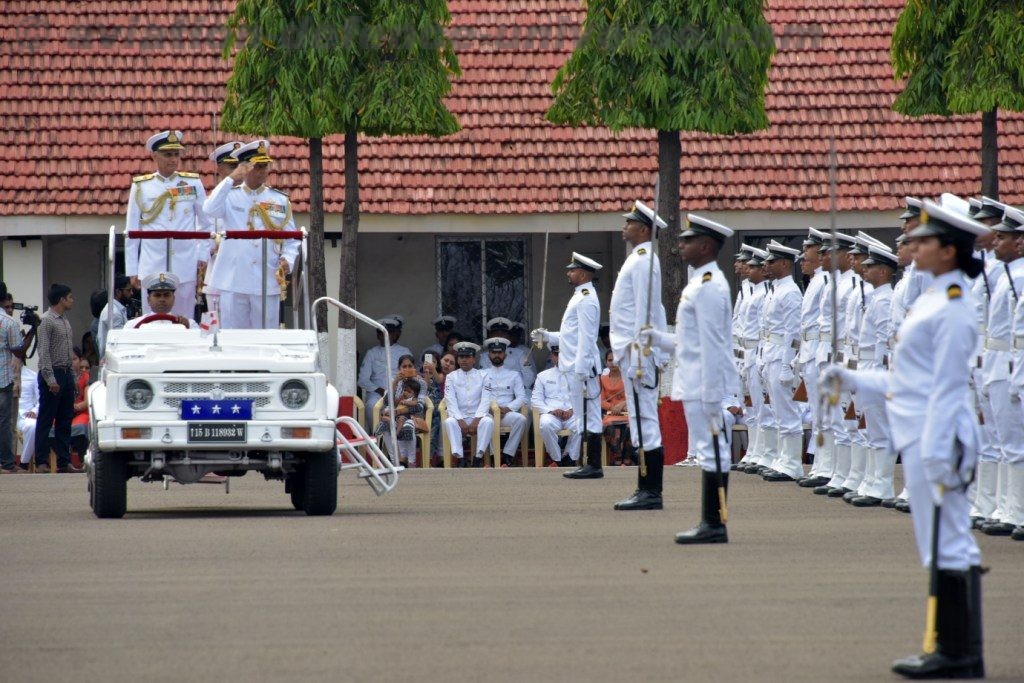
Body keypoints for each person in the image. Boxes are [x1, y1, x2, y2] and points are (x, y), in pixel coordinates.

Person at [821, 200, 987, 679]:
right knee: (935, 543)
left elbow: (948, 385)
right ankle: (950, 647)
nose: (912, 245)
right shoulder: (931, 298)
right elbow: (906, 380)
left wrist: (936, 449)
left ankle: (959, 653)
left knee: (949, 541)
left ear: (950, 251)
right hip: (918, 433)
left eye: (924, 240)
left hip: (937, 437)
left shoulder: (954, 304)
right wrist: (852, 380)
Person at [640, 214, 739, 543]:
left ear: (706, 246)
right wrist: (655, 337)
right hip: (694, 379)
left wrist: (713, 393)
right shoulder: (700, 282)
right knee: (708, 449)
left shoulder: (709, 286)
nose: (681, 245)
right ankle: (711, 520)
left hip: (703, 383)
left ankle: (714, 522)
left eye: (688, 240)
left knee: (711, 450)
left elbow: (713, 345)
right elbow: (688, 340)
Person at [202, 139, 301, 329]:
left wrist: (287, 260)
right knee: (233, 339)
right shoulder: (229, 195)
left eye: (265, 166)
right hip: (233, 279)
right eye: (258, 166)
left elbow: (291, 239)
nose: (263, 171)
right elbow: (209, 209)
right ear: (246, 168)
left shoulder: (279, 200)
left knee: (266, 339)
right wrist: (231, 178)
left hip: (266, 277)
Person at [610, 200, 668, 510]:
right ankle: (644, 487)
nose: (624, 225)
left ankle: (651, 491)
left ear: (643, 229)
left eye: (629, 222)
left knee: (645, 419)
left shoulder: (645, 261)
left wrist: (642, 354)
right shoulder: (639, 259)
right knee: (639, 418)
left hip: (638, 354)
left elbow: (646, 313)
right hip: (633, 352)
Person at [532, 251, 604, 479]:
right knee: (584, 416)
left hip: (580, 368)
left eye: (572, 270)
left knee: (588, 416)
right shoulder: (578, 296)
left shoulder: (586, 298)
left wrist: (582, 368)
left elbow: (587, 337)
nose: (569, 272)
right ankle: (588, 464)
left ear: (582, 274)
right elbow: (570, 335)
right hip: (574, 366)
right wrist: (548, 337)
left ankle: (591, 464)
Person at [124, 130, 209, 318]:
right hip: (152, 263)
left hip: (185, 263)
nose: (173, 159)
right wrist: (132, 269)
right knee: (153, 320)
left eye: (176, 154)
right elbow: (132, 230)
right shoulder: (141, 186)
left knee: (183, 319)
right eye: (167, 154)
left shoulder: (192, 183)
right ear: (154, 155)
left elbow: (206, 223)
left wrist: (201, 257)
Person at [976, 206, 1024, 536]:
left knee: (1013, 444)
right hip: (995, 365)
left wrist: (1017, 378)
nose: (996, 242)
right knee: (1001, 442)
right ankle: (1005, 507)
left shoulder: (1017, 278)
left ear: (1020, 243)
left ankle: (1016, 511)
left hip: (1010, 366)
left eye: (1003, 237)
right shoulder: (1005, 276)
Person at [849, 244, 898, 506]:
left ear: (883, 271)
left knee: (879, 428)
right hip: (865, 366)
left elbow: (882, 342)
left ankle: (883, 484)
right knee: (870, 428)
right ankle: (872, 480)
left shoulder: (884, 299)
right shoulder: (875, 297)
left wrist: (879, 375)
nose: (864, 270)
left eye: (869, 267)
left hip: (874, 368)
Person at [757, 240, 804, 482]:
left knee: (787, 410)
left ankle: (793, 463)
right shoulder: (776, 289)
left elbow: (792, 332)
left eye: (771, 261)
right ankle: (782, 458)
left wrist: (788, 365)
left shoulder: (791, 292)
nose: (766, 264)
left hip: (781, 356)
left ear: (785, 264)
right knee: (776, 410)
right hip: (770, 353)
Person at [34, 283, 77, 473]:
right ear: (61, 300)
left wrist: (73, 379)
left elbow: (69, 354)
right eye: (70, 297)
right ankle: (41, 461)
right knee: (46, 418)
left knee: (65, 420)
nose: (72, 300)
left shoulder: (65, 321)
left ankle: (63, 461)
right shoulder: (46, 320)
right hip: (52, 372)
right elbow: (43, 352)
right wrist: (50, 379)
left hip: (66, 373)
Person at [201, 141, 242, 313]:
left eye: (239, 165)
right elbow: (203, 235)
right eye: (231, 166)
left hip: (244, 275)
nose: (237, 171)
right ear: (220, 169)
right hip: (219, 274)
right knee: (217, 331)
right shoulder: (213, 200)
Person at [443, 342, 493, 467]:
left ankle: (478, 457)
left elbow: (486, 399)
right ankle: (460, 457)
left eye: (467, 357)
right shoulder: (451, 376)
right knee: (449, 422)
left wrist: (477, 420)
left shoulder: (484, 375)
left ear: (474, 359)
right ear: (458, 359)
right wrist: (460, 420)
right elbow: (450, 400)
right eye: (461, 357)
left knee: (488, 422)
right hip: (460, 416)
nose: (464, 360)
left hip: (478, 416)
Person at [481, 337, 529, 467]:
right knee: (487, 421)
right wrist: (490, 408)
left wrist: (507, 409)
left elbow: (521, 397)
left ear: (505, 355)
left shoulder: (514, 375)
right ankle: (493, 455)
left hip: (506, 413)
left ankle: (507, 455)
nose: (497, 355)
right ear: (489, 355)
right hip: (488, 412)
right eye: (493, 352)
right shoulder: (481, 374)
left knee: (521, 419)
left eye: (499, 352)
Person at [532, 345, 581, 466]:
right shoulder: (542, 376)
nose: (559, 358)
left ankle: (570, 457)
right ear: (551, 356)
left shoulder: (578, 375)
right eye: (556, 354)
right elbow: (535, 400)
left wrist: (573, 409)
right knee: (545, 424)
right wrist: (551, 410)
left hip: (572, 414)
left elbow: (585, 397)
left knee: (583, 424)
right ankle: (557, 459)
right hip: (552, 414)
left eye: (563, 354)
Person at [376, 355, 427, 468]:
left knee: (407, 425)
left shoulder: (421, 383)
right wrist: (394, 383)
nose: (407, 369)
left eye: (410, 366)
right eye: (404, 366)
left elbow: (419, 407)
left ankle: (411, 461)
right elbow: (386, 402)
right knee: (385, 424)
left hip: (413, 416)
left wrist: (399, 411)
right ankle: (395, 461)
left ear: (414, 367)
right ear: (399, 368)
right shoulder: (396, 382)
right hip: (395, 416)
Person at [357, 315, 413, 418]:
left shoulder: (404, 351)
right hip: (377, 392)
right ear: (378, 335)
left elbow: (411, 375)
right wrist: (380, 390)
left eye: (389, 333)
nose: (385, 335)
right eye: (381, 333)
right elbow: (362, 380)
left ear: (395, 335)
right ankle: (376, 433)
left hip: (400, 391)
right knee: (371, 405)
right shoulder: (372, 353)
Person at [0, 287, 24, 473]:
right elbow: (18, 350)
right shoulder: (9, 322)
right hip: (3, 379)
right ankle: (7, 464)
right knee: (4, 423)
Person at [124, 273, 199, 329]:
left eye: (166, 295)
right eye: (157, 295)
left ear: (174, 299)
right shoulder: (133, 325)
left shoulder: (190, 324)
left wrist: (187, 329)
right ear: (148, 300)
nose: (162, 299)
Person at [480, 317, 536, 391]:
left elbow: (529, 376)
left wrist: (517, 391)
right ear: (491, 336)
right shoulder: (484, 356)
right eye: (496, 333)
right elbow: (483, 379)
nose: (499, 335)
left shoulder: (519, 354)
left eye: (503, 333)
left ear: (508, 336)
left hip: (517, 392)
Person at [420, 350, 453, 465]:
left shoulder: (440, 375)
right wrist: (427, 374)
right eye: (428, 361)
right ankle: (427, 459)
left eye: (434, 362)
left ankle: (437, 457)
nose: (431, 363)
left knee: (436, 428)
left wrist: (432, 370)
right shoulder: (421, 376)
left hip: (438, 409)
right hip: (426, 409)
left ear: (438, 364)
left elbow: (439, 380)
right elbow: (425, 387)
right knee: (431, 430)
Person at [600, 349, 631, 465]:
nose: (613, 363)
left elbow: (634, 395)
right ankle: (617, 458)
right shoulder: (602, 379)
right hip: (610, 415)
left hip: (627, 414)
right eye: (610, 360)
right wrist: (614, 408)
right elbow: (601, 401)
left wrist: (622, 405)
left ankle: (627, 459)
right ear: (606, 362)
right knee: (610, 428)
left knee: (631, 427)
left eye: (616, 360)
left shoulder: (628, 378)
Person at [97, 275, 134, 359]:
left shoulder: (116, 309)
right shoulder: (114, 313)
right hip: (113, 359)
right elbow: (120, 342)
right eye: (128, 290)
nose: (132, 293)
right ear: (118, 292)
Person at [16, 364, 39, 472]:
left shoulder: (32, 375)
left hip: (24, 415)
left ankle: (24, 463)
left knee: (33, 426)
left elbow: (41, 400)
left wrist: (34, 411)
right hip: (6, 416)